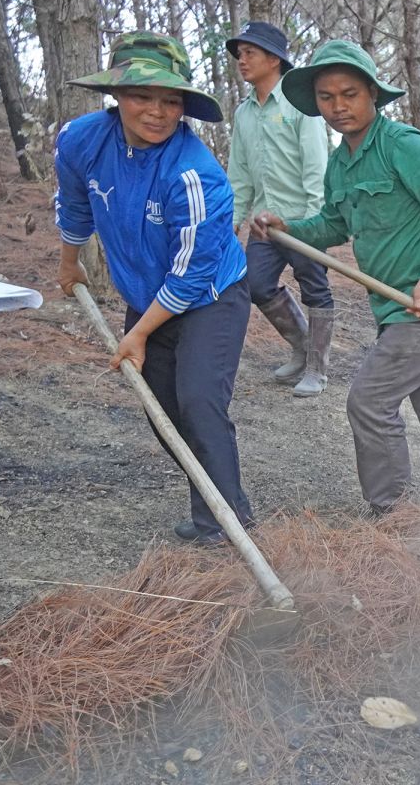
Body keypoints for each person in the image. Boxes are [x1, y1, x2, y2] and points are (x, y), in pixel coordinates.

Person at [249, 40, 420, 511]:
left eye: (349, 94)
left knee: (368, 402)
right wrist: (288, 228)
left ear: (372, 93)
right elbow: (333, 224)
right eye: (327, 98)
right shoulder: (340, 163)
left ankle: (392, 514)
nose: (338, 107)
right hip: (395, 308)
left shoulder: (402, 146)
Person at [55, 32, 252, 546]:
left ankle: (227, 528)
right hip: (146, 296)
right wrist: (70, 262)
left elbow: (191, 274)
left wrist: (138, 334)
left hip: (210, 298)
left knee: (200, 403)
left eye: (171, 100)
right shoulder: (81, 140)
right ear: (117, 95)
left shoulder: (195, 174)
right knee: (161, 410)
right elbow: (75, 204)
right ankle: (214, 502)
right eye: (143, 96)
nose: (158, 112)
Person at [226, 21, 334, 397]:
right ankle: (303, 349)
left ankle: (318, 369)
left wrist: (315, 222)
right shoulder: (244, 114)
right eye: (240, 54)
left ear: (274, 59)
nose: (242, 61)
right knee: (255, 284)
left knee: (315, 288)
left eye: (250, 53)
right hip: (263, 222)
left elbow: (316, 166)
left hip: (302, 220)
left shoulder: (300, 105)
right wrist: (233, 221)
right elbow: (239, 173)